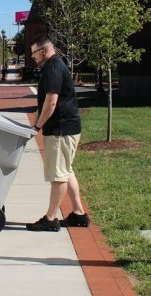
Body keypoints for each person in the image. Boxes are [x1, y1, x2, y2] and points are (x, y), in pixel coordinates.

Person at [26, 35, 89, 231]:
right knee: (66, 171)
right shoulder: (56, 65)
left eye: (34, 53)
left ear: (45, 50)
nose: (33, 57)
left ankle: (51, 218)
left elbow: (51, 102)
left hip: (60, 129)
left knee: (59, 175)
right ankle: (78, 214)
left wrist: (37, 126)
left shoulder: (53, 67)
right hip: (66, 128)